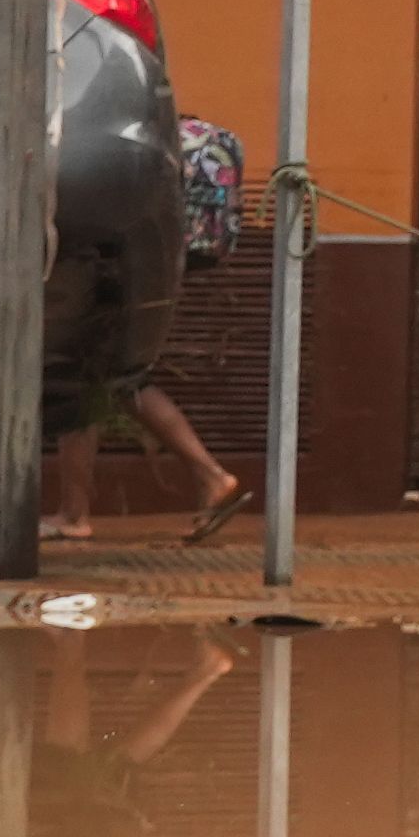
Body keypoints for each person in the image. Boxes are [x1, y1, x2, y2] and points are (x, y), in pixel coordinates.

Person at [44, 114, 259, 543]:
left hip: (112, 267)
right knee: (115, 382)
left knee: (89, 382)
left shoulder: (106, 139)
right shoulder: (141, 139)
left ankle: (75, 514)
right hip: (146, 262)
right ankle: (208, 476)